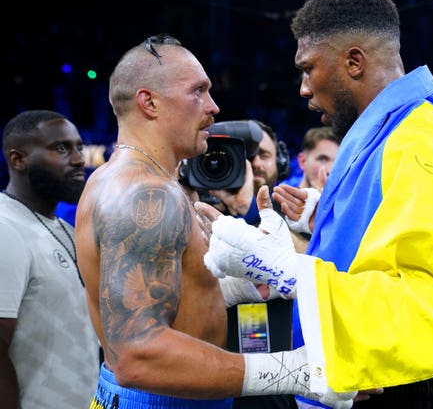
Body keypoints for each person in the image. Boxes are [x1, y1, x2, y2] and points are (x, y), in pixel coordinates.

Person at [200, 0, 433, 408]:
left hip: (414, 391)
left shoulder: (413, 142)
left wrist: (286, 270)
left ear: (354, 62)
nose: (303, 88)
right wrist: (324, 219)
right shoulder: (390, 131)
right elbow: (387, 254)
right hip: (393, 381)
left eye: (308, 68)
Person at [75, 34, 359, 409]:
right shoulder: (146, 195)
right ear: (149, 102)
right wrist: (292, 371)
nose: (213, 106)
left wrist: (233, 286)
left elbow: (150, 299)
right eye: (198, 91)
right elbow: (137, 354)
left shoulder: (117, 179)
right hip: (162, 400)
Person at [0, 110, 100, 408]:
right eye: (61, 148)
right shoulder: (5, 228)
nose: (80, 159)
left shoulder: (64, 229)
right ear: (18, 160)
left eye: (79, 147)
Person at [208, 120, 297, 409]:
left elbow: (313, 262)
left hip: (283, 393)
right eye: (242, 156)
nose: (252, 165)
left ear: (281, 162)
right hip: (211, 389)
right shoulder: (193, 214)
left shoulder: (299, 216)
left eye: (263, 155)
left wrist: (247, 208)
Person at [295, 126, 339, 190]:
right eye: (323, 160)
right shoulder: (279, 199)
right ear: (302, 161)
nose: (330, 170)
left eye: (338, 162)